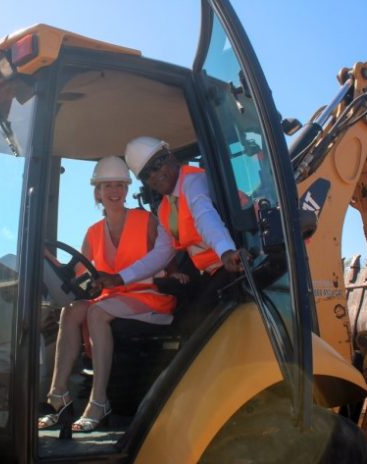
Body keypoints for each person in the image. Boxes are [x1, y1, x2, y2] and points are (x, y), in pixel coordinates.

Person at [38, 156, 177, 433]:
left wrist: (173, 274)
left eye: (120, 185)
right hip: (111, 299)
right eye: (107, 186)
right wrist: (47, 262)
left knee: (96, 312)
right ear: (98, 192)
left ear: (126, 189)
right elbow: (77, 272)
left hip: (145, 296)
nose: (114, 191)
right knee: (72, 310)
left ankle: (99, 401)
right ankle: (58, 394)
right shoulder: (93, 233)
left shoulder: (146, 220)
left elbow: (167, 254)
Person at [98, 136, 243, 315]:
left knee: (201, 318)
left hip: (233, 263)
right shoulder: (164, 209)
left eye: (157, 165)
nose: (153, 176)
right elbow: (161, 253)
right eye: (146, 175)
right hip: (210, 272)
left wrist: (226, 251)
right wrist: (119, 278)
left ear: (170, 156)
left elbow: (204, 216)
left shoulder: (193, 181)